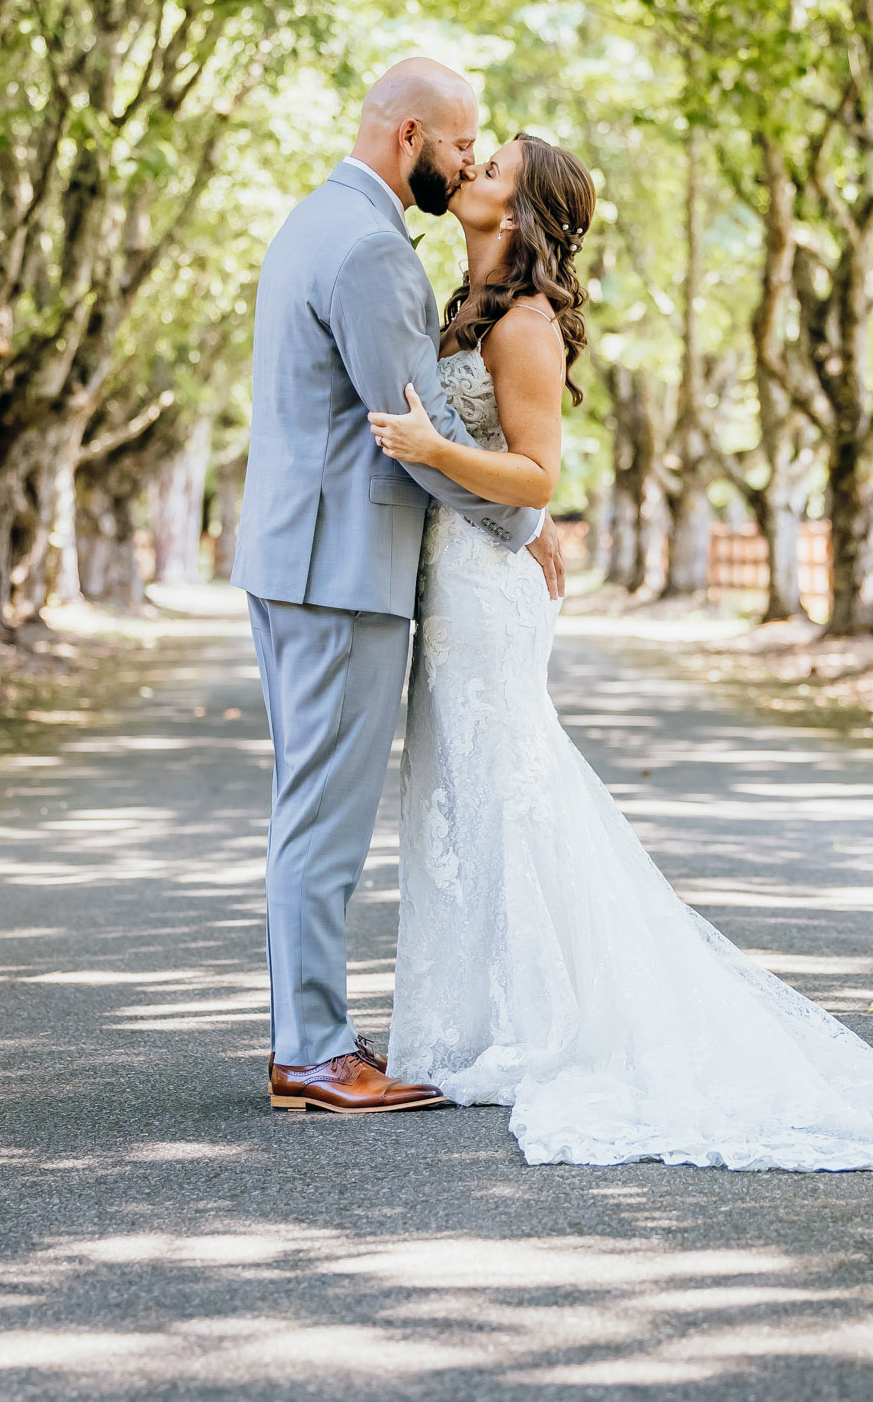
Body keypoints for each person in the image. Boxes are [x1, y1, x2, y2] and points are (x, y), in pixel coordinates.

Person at [365, 131, 873, 1170]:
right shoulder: (463, 304)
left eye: (496, 166)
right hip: (458, 575)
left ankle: (552, 1029)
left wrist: (436, 452)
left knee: (509, 788)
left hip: (486, 591)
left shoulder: (521, 323)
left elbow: (534, 474)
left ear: (521, 211)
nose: (473, 168)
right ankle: (474, 1021)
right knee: (464, 789)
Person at [232, 58, 565, 1114]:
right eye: (462, 144)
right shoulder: (375, 249)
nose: (468, 161)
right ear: (412, 133)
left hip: (300, 556)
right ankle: (313, 1052)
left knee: (309, 806)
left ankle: (310, 1031)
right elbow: (410, 433)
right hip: (338, 568)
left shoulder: (314, 219)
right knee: (323, 819)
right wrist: (522, 520)